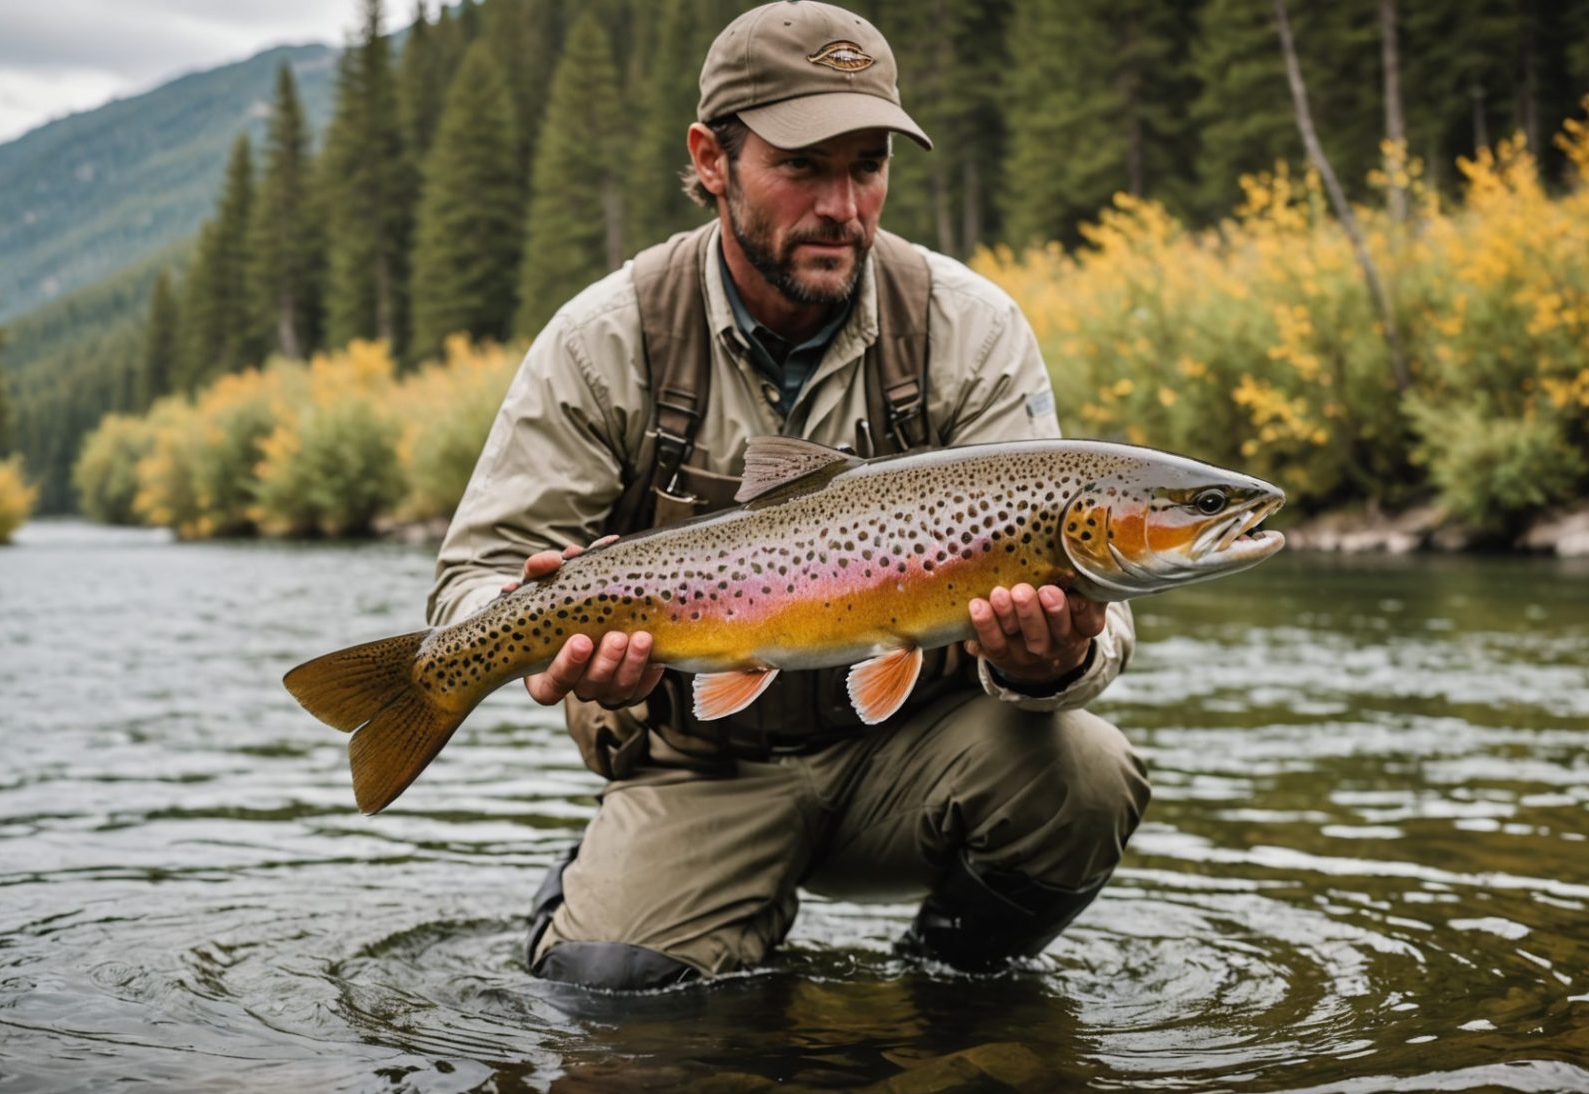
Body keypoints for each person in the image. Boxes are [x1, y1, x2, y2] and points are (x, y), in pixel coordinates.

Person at [427, 0, 1149, 991]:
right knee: (612, 992)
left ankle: (942, 1003)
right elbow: (475, 577)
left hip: (910, 752)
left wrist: (1048, 664)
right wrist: (546, 642)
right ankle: (608, 896)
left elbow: (1093, 624)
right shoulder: (606, 337)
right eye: (803, 165)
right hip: (702, 759)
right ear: (711, 159)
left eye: (867, 167)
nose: (844, 206)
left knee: (1086, 773)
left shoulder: (968, 326)